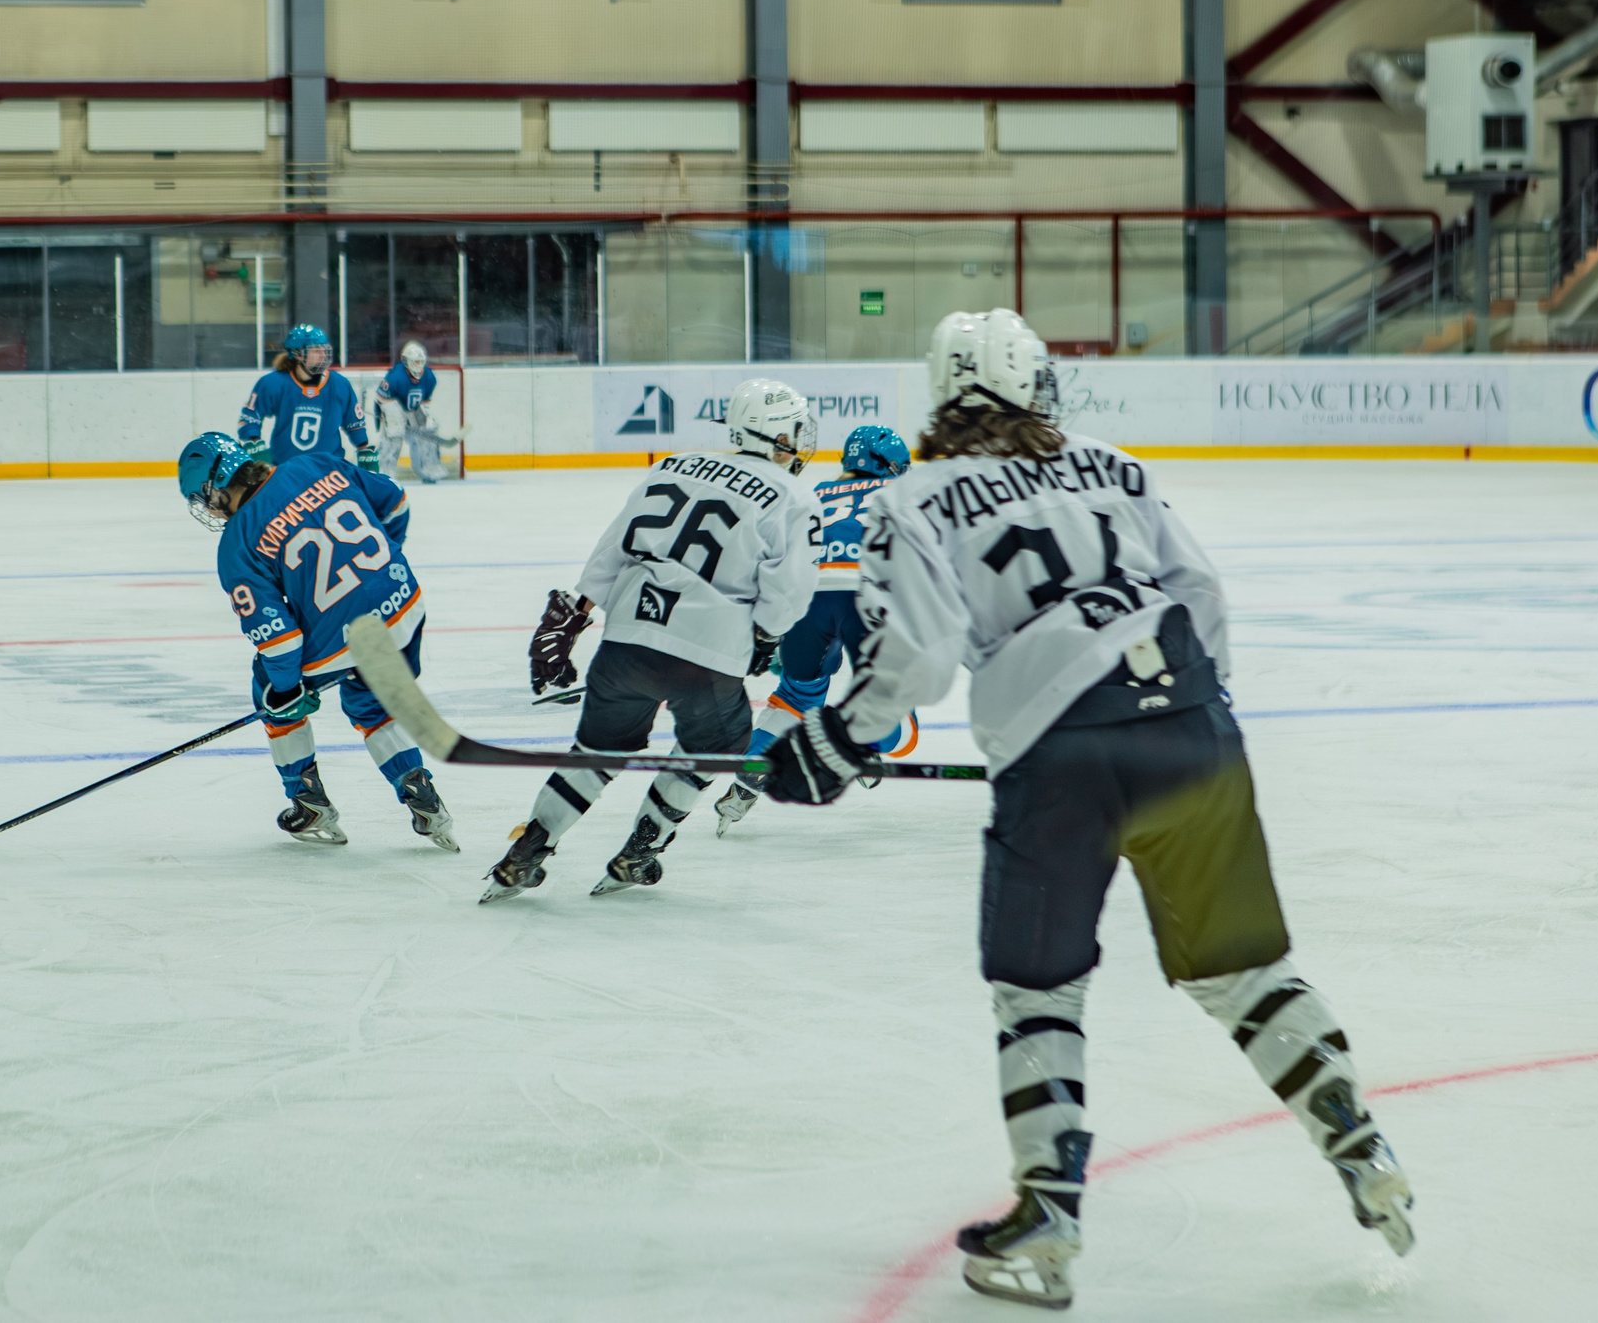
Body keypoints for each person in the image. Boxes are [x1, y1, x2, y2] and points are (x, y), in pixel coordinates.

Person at [763, 309, 1414, 1310]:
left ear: (940, 394)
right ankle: (1356, 1141)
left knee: (1039, 991)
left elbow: (920, 660)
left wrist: (834, 743)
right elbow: (1199, 592)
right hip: (1191, 721)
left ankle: (1051, 1217)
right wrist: (1183, 719)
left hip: (1054, 744)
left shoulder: (918, 493)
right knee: (1242, 971)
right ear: (1039, 389)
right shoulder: (1114, 465)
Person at [491, 377, 822, 902]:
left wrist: (577, 614)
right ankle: (639, 851)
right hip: (707, 650)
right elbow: (790, 588)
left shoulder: (670, 465)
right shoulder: (794, 495)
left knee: (597, 751)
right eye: (796, 430)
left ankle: (528, 848)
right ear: (776, 433)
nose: (802, 440)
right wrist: (767, 636)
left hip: (628, 635)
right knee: (717, 748)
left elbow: (613, 549)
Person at [178, 429, 456, 851]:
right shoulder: (315, 463)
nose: (209, 512)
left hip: (348, 640)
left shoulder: (237, 544)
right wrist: (381, 569)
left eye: (204, 499)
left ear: (215, 486)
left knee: (268, 685)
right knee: (368, 700)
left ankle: (307, 800)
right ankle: (423, 796)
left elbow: (280, 640)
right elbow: (396, 502)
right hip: (407, 604)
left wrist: (286, 691)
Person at [712, 422, 921, 837]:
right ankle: (852, 746)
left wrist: (767, 626)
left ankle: (750, 772)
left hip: (803, 601)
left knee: (795, 695)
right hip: (866, 598)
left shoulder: (810, 494)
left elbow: (766, 556)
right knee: (899, 721)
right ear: (886, 467)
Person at [239, 324, 374, 471]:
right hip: (286, 469)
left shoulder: (339, 384)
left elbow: (354, 423)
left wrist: (364, 448)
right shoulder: (274, 383)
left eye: (324, 350)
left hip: (330, 472)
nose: (323, 355)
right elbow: (250, 418)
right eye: (316, 351)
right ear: (298, 354)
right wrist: (253, 440)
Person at [374, 340, 454, 482]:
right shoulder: (395, 377)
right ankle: (385, 472)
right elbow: (381, 400)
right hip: (393, 406)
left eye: (420, 361)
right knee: (395, 430)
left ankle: (429, 469)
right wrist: (388, 418)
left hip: (413, 410)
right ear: (406, 361)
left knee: (427, 429)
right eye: (415, 362)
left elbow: (424, 403)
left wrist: (420, 419)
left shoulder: (429, 377)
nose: (418, 365)